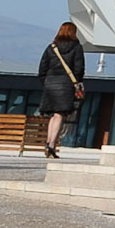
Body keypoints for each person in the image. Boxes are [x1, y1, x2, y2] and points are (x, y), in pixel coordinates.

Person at [38, 22, 86, 158]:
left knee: (53, 115)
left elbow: (42, 68)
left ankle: (48, 141)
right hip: (66, 84)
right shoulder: (77, 47)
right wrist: (76, 82)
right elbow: (79, 68)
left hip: (50, 83)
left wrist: (46, 82)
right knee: (60, 115)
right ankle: (52, 144)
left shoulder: (51, 47)